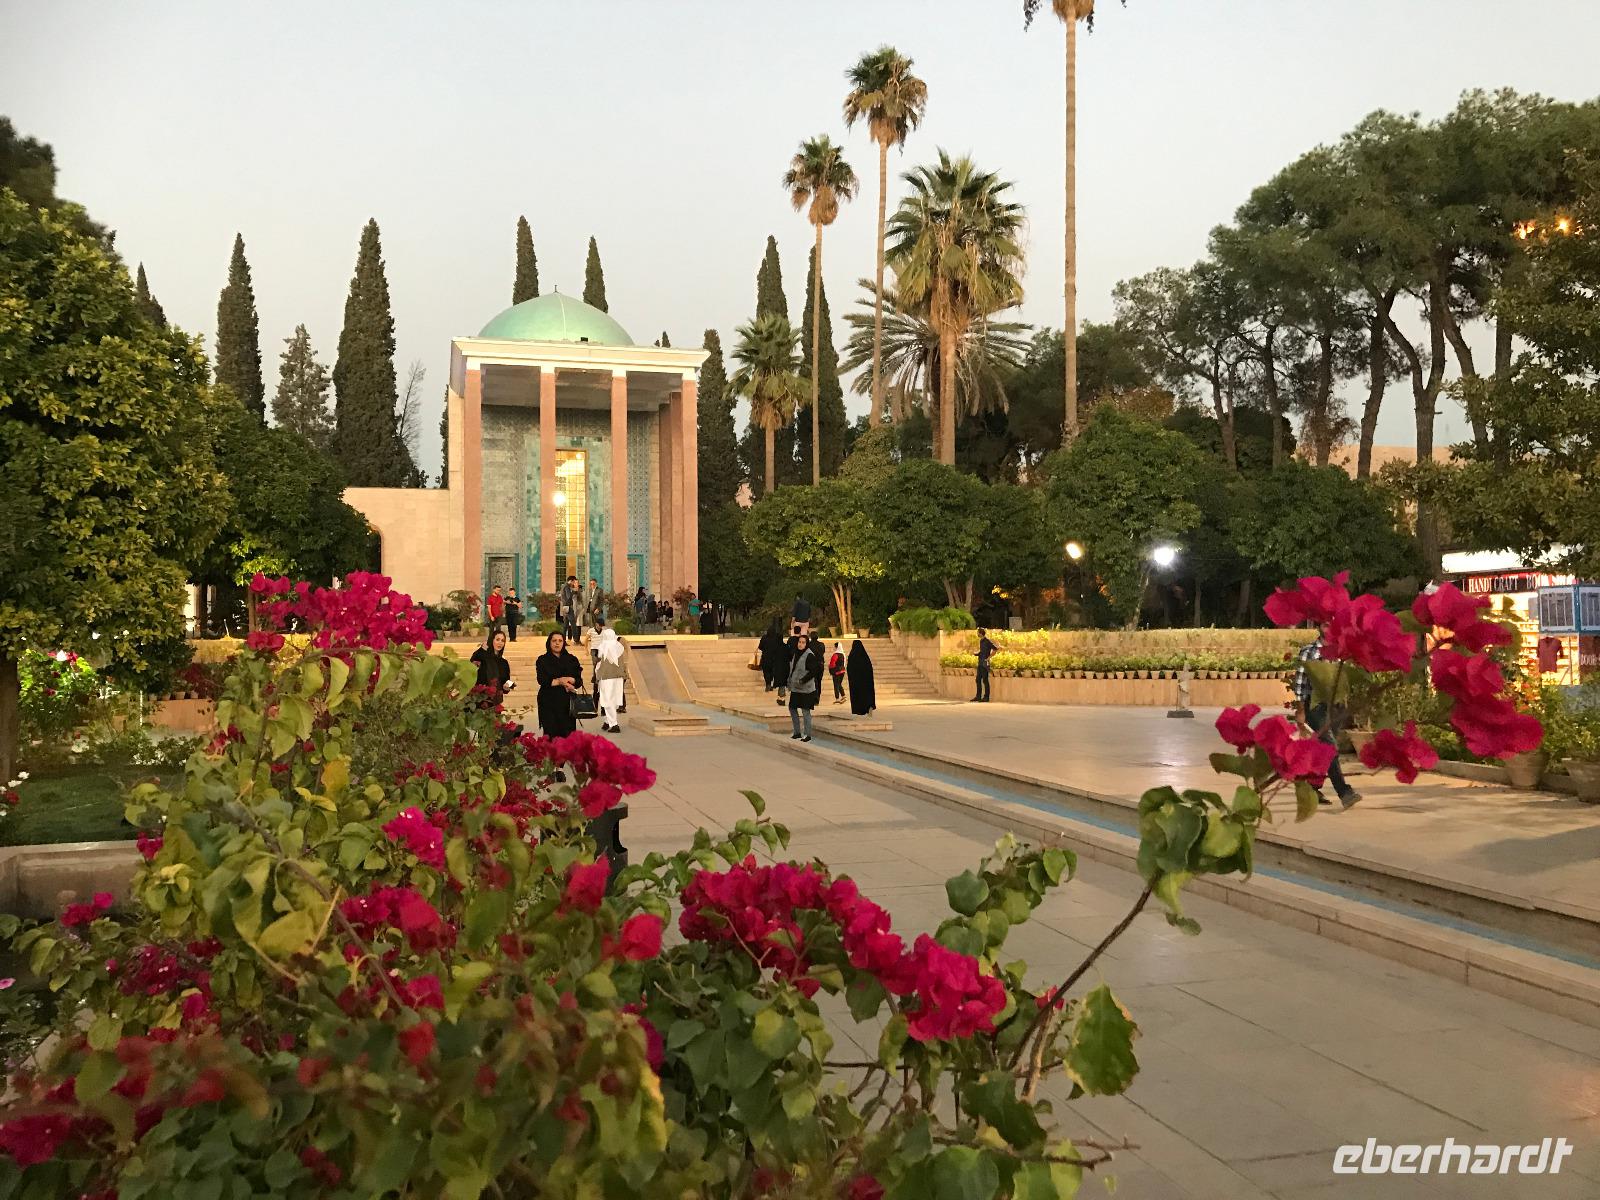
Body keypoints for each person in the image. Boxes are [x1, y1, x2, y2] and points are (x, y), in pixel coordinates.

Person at [1293, 626, 1362, 808]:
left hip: (1337, 707)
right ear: (1318, 626)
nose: (1329, 627)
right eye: (1325, 623)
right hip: (1316, 707)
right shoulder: (1309, 652)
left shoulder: (1341, 650)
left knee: (1322, 750)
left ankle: (1312, 788)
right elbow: (1300, 684)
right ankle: (1345, 792)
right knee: (1330, 747)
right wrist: (1300, 711)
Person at [535, 630, 585, 738]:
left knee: (568, 738)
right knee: (551, 737)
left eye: (560, 641)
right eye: (554, 641)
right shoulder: (542, 660)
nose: (557, 643)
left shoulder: (572, 659)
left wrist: (570, 681)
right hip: (548, 703)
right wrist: (560, 681)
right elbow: (542, 680)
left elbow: (579, 680)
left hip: (567, 705)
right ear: (549, 643)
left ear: (563, 643)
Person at [786, 633, 823, 742]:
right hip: (796, 688)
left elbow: (814, 670)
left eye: (803, 642)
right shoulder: (796, 654)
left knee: (805, 711)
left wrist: (803, 680)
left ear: (807, 644)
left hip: (806, 689)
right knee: (792, 708)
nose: (800, 644)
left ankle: (807, 734)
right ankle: (797, 732)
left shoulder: (809, 655)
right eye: (799, 642)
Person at [594, 626, 627, 733]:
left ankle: (614, 725)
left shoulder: (603, 646)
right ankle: (607, 721)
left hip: (606, 677)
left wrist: (596, 674)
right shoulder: (619, 647)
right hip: (618, 677)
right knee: (614, 700)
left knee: (607, 700)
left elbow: (599, 662)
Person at [470, 627, 513, 705]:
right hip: (480, 700)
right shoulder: (482, 656)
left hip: (495, 701)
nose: (500, 643)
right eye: (497, 639)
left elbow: (506, 681)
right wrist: (482, 649)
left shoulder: (504, 662)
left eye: (502, 641)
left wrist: (508, 686)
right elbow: (472, 665)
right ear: (491, 640)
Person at [847, 639, 876, 717]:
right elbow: (870, 670)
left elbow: (849, 669)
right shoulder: (865, 658)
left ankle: (858, 710)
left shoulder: (852, 657)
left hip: (855, 683)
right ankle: (869, 709)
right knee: (867, 695)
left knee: (857, 696)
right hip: (866, 683)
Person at [758, 618, 785, 693]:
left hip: (765, 658)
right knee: (772, 671)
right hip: (775, 658)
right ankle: (770, 684)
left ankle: (768, 684)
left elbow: (760, 647)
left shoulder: (764, 638)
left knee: (766, 672)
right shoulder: (777, 638)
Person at [974, 628, 997, 703]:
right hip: (980, 662)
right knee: (978, 680)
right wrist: (977, 654)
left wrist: (988, 658)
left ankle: (986, 697)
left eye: (978, 632)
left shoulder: (987, 641)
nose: (977, 634)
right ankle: (978, 696)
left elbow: (995, 649)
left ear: (981, 633)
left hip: (984, 663)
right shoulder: (981, 641)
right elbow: (982, 651)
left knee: (985, 680)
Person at [559, 575, 582, 641]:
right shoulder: (567, 586)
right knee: (573, 624)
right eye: (573, 582)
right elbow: (569, 596)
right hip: (568, 607)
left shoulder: (564, 586)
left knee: (565, 625)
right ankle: (576, 640)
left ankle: (562, 640)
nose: (573, 583)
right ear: (571, 581)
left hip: (565, 607)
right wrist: (574, 591)